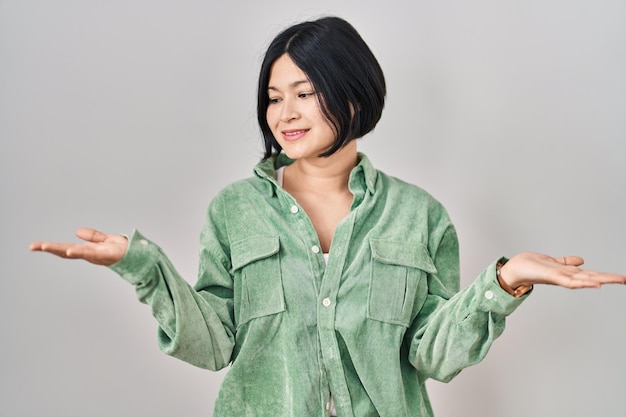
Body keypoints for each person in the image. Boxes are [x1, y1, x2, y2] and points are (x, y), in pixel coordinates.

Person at [29, 16, 625, 417]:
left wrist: (505, 281)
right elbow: (214, 345)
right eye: (272, 95)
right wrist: (142, 267)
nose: (283, 112)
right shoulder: (234, 210)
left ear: (353, 95)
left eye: (306, 91)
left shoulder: (420, 216)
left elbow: (432, 355)